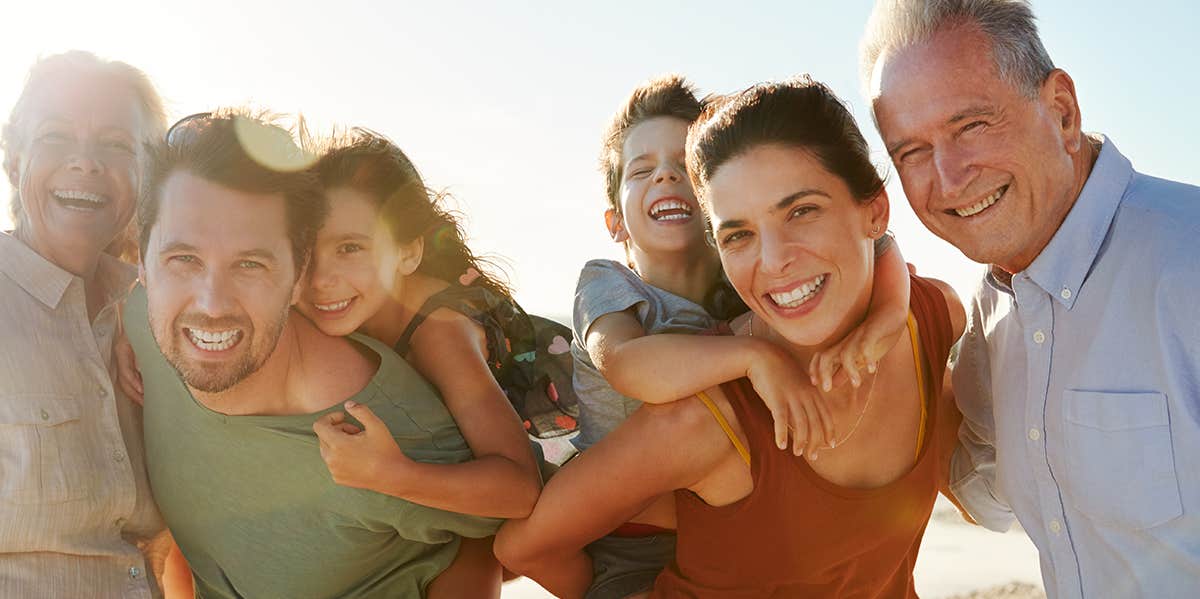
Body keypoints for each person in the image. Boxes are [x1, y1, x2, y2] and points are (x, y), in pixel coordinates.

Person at [496, 77, 966, 598]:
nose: (773, 259)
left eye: (801, 210)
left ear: (874, 210)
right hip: (625, 537)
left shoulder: (929, 317)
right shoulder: (689, 404)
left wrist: (889, 315)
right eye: (739, 233)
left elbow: (888, 254)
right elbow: (624, 364)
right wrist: (755, 357)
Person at [862, 1, 1200, 596]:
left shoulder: (1187, 259)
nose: (948, 176)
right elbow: (987, 498)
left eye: (970, 126)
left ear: (1062, 112)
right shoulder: (993, 314)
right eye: (910, 152)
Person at [122, 109, 500, 598]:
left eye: (251, 263)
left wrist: (394, 475)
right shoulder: (138, 321)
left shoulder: (382, 431)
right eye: (183, 259)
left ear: (299, 275)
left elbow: (491, 531)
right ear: (142, 264)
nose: (211, 304)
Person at [297, 129, 542, 596]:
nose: (321, 279)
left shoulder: (440, 333)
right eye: (306, 251)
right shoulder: (355, 306)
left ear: (408, 251)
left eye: (350, 248)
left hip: (534, 497)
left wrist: (388, 475)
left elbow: (520, 487)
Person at [0, 50, 169, 598]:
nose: (86, 162)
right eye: (55, 137)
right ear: (13, 162)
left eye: (117, 146)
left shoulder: (159, 310)